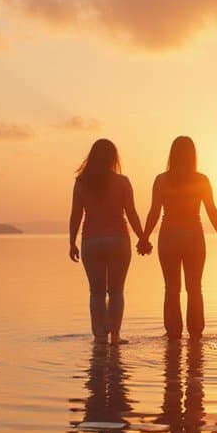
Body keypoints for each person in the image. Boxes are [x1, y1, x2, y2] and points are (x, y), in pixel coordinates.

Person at [139, 136, 217, 340]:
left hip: (169, 236)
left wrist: (144, 237)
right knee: (194, 287)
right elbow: (212, 210)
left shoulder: (161, 180)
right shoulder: (201, 179)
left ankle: (173, 334)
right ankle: (196, 334)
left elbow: (154, 211)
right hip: (193, 237)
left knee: (171, 289)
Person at [68, 138, 147, 345]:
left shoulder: (81, 183)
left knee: (96, 292)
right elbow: (131, 213)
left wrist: (71, 242)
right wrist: (143, 238)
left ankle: (99, 337)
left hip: (91, 241)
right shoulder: (122, 182)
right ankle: (115, 335)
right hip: (118, 240)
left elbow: (76, 215)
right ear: (113, 158)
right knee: (116, 291)